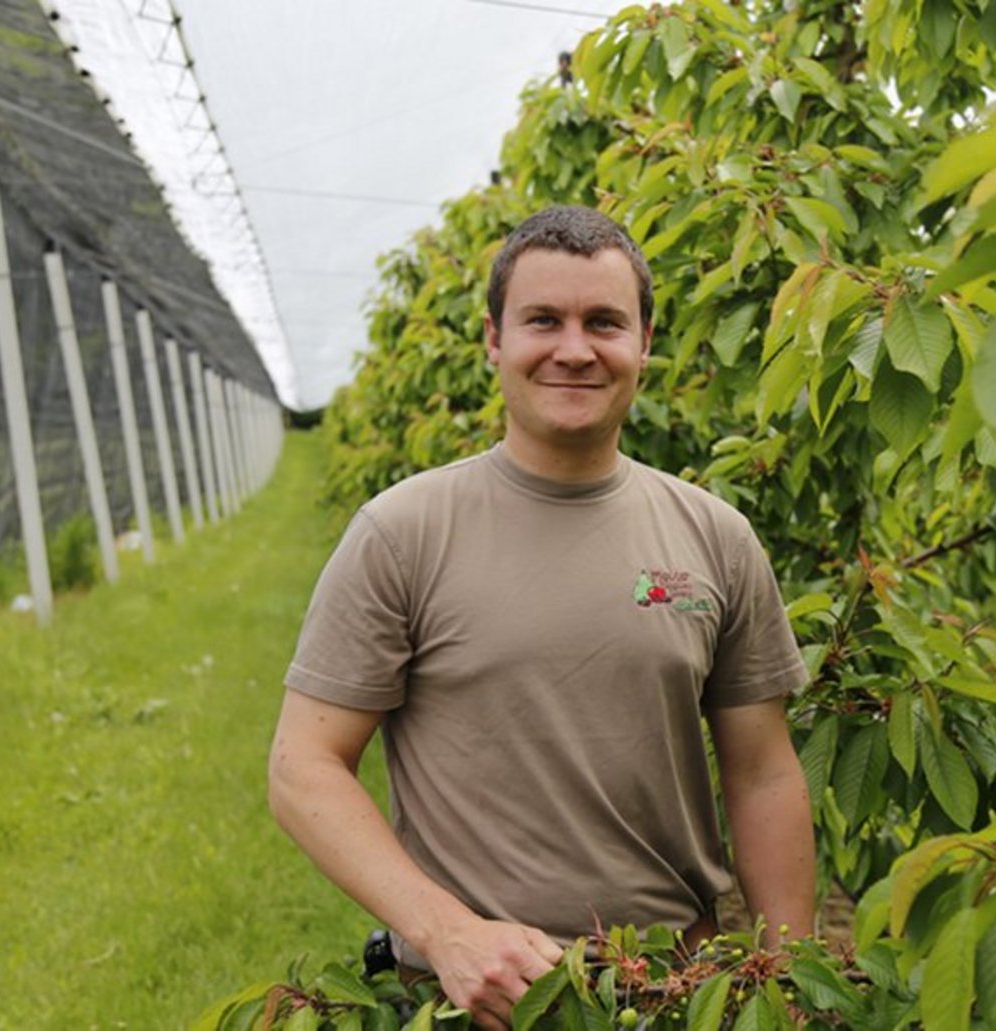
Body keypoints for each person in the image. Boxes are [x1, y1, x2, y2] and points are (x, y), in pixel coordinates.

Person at [269, 205, 814, 1031]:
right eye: (542, 320)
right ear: (493, 338)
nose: (573, 348)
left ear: (645, 341)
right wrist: (445, 932)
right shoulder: (403, 532)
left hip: (673, 993)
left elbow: (764, 771)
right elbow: (303, 766)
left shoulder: (716, 537)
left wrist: (788, 980)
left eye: (604, 321)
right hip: (471, 999)